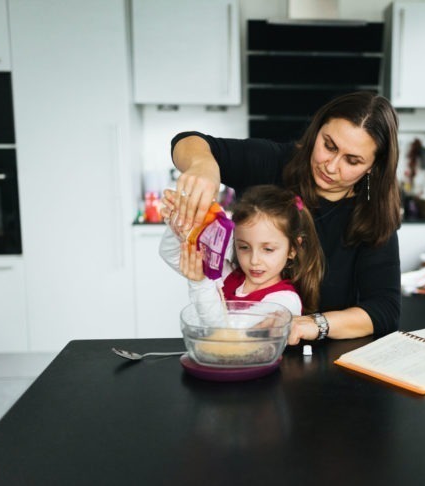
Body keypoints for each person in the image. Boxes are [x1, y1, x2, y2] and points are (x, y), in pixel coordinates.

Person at [162, 91, 401, 344]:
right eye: (328, 146)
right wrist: (203, 165)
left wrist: (312, 324)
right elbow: (186, 141)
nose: (331, 166)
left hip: (329, 359)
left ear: (373, 166)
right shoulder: (273, 162)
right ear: (317, 129)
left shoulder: (372, 212)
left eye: (352, 161)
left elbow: (385, 310)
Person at [160, 185, 324, 318]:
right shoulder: (228, 275)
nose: (254, 260)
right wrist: (179, 224)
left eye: (267, 249)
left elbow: (229, 339)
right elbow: (172, 255)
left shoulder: (284, 302)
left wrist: (200, 284)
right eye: (244, 247)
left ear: (293, 249)